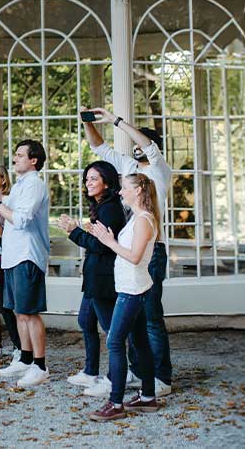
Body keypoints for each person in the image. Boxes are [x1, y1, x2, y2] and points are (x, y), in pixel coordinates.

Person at [84, 107, 173, 397]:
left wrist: (117, 121)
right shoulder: (129, 170)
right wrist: (86, 121)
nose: (136, 149)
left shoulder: (158, 172)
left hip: (151, 251)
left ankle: (161, 378)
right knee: (133, 319)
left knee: (150, 317)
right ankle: (138, 372)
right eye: (133, 146)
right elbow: (98, 146)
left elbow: (148, 146)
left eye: (139, 144)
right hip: (127, 249)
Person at [88, 174, 161, 421]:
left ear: (139, 190)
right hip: (133, 288)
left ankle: (115, 402)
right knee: (139, 343)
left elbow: (134, 257)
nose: (120, 193)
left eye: (125, 188)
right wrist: (102, 237)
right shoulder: (137, 219)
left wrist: (108, 241)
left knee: (114, 342)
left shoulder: (143, 220)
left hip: (133, 291)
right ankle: (148, 397)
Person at [0, 140, 50, 387]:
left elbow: (21, 220)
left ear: (33, 160)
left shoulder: (35, 185)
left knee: (29, 312)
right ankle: (25, 359)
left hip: (27, 255)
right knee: (17, 311)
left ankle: (41, 365)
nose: (15, 158)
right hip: (12, 255)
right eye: (15, 154)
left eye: (20, 155)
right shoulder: (21, 186)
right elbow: (3, 214)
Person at [57, 161, 126, 391]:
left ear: (107, 182)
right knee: (85, 321)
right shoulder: (100, 206)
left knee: (111, 331)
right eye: (87, 179)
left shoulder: (110, 208)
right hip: (94, 276)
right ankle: (90, 371)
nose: (89, 183)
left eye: (94, 178)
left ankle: (113, 379)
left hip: (104, 278)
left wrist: (73, 231)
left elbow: (100, 246)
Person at [0, 164, 20, 357]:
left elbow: (4, 227)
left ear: (3, 180)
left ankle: (18, 345)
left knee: (6, 305)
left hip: (3, 254)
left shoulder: (7, 200)